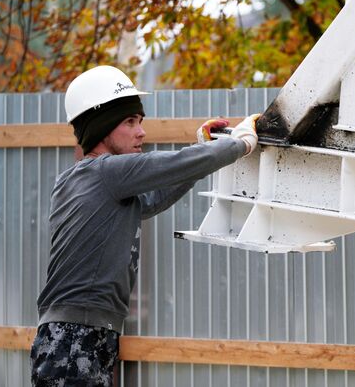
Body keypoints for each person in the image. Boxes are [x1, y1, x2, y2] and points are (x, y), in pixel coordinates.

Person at [30, 65, 260, 386]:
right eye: (129, 122)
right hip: (74, 337)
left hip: (83, 335)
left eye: (140, 121)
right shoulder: (106, 173)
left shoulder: (90, 181)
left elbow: (153, 200)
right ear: (101, 127)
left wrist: (203, 147)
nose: (141, 132)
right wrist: (241, 143)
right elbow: (175, 164)